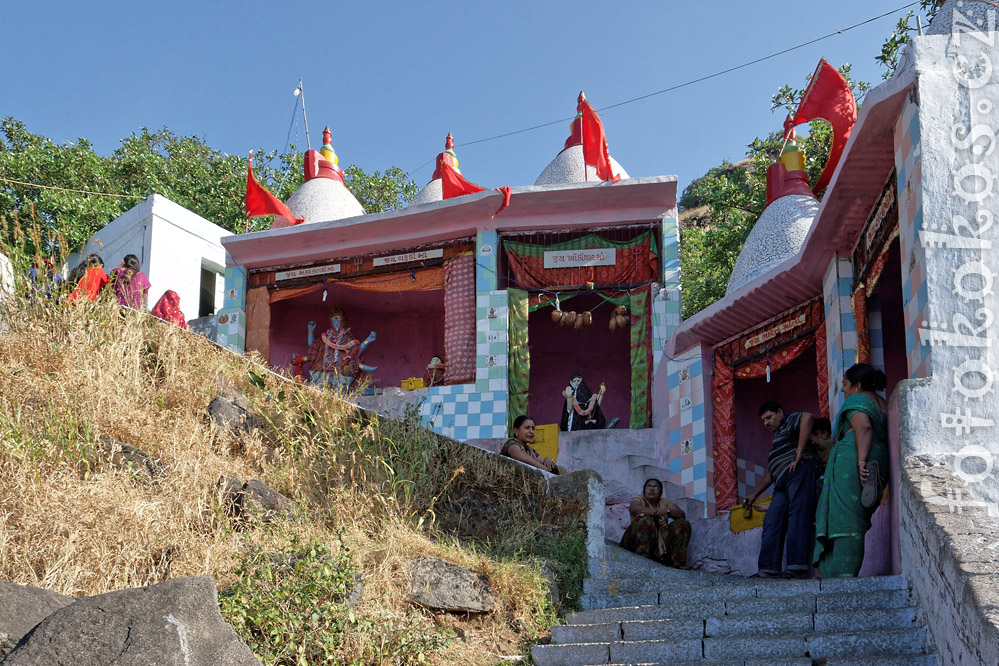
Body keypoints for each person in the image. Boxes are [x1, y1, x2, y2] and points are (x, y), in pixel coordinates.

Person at [814, 364, 890, 578]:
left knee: (846, 518)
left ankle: (841, 575)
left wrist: (861, 461)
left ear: (857, 385)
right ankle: (841, 571)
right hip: (879, 458)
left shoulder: (857, 400)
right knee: (857, 517)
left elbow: (863, 427)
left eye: (846, 384)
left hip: (855, 459)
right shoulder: (883, 403)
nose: (843, 390)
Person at [743, 400, 817, 578]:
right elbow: (772, 470)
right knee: (772, 521)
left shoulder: (789, 420)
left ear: (780, 412)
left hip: (798, 471)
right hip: (781, 480)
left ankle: (796, 567)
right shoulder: (777, 437)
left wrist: (799, 453)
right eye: (763, 420)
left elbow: (808, 418)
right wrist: (755, 493)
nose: (766, 423)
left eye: (769, 417)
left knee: (798, 515)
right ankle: (767, 569)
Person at [620, 478, 691, 567]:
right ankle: (642, 559)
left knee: (682, 523)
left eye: (655, 487)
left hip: (659, 549)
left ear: (660, 492)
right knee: (644, 520)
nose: (652, 489)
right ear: (644, 491)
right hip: (635, 546)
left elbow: (681, 514)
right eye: (649, 487)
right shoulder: (639, 500)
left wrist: (667, 511)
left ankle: (677, 562)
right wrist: (655, 515)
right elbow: (634, 508)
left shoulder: (665, 502)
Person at [301, 307, 376, 390]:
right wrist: (310, 331)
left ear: (343, 320)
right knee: (319, 388)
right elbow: (312, 346)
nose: (336, 322)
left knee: (340, 389)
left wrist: (369, 340)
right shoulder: (325, 338)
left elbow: (356, 350)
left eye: (338, 319)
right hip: (321, 373)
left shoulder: (347, 338)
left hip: (341, 374)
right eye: (334, 320)